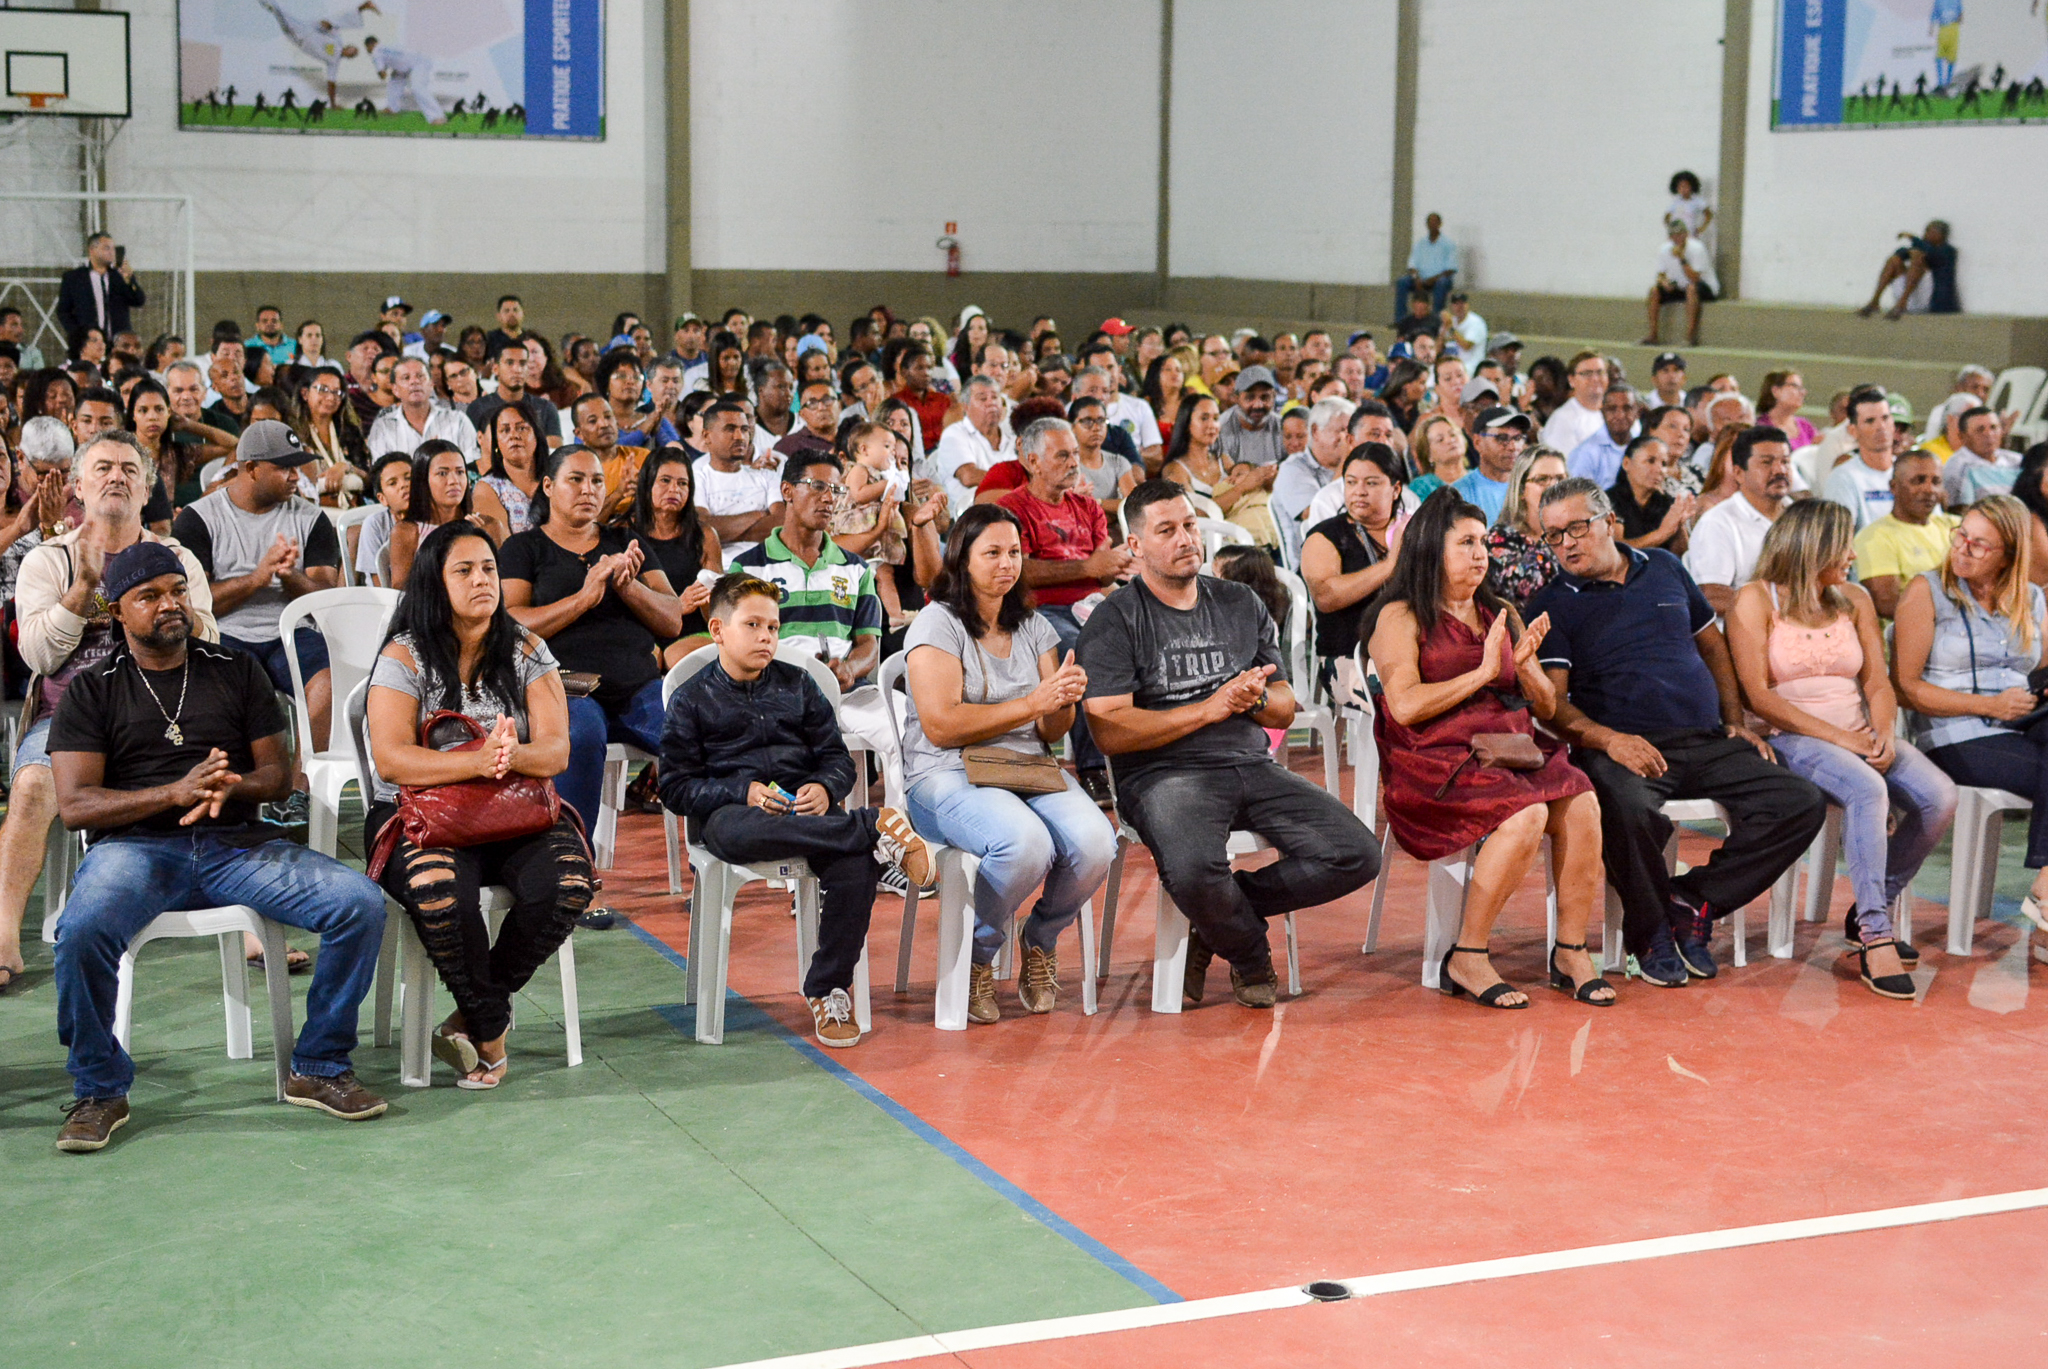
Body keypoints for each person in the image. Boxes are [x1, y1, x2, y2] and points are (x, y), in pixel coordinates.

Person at [48, 541, 389, 1152]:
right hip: (135, 851)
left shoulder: (234, 670)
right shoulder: (93, 689)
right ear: (117, 613)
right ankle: (99, 1088)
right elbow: (77, 804)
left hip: (237, 844)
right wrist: (174, 793)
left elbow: (278, 776)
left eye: (177, 591)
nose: (169, 605)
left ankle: (319, 1065)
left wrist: (230, 784)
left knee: (358, 902)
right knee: (80, 931)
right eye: (148, 597)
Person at [1078, 480, 1381, 1009]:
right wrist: (1208, 708)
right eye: (1166, 530)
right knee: (1194, 872)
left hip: (1248, 761)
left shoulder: (1240, 602)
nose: (1185, 539)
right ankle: (1248, 954)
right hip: (1161, 775)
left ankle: (1218, 923)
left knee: (1356, 853)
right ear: (1134, 546)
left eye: (1190, 525)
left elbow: (1284, 704)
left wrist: (1253, 698)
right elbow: (1108, 728)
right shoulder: (1116, 618)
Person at [1528, 478, 1827, 986]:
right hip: (1621, 745)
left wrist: (1733, 720)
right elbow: (1553, 706)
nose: (1567, 544)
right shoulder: (1552, 602)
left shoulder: (1665, 567)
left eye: (1577, 528)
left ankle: (1692, 898)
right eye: (1553, 536)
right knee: (1627, 806)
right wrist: (1609, 740)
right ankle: (1650, 933)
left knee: (1799, 800)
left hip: (1703, 739)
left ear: (1609, 523)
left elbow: (1711, 646)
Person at [657, 573, 935, 1048]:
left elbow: (836, 760)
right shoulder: (691, 698)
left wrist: (824, 788)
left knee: (854, 864)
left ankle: (827, 989)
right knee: (745, 834)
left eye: (773, 627)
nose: (767, 637)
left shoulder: (799, 685)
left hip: (807, 812)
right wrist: (742, 792)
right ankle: (871, 826)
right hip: (734, 814)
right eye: (753, 626)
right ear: (719, 630)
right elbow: (675, 787)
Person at [365, 520, 591, 1089]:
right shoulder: (406, 655)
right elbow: (391, 760)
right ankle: (490, 1024)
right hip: (423, 815)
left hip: (514, 808)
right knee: (441, 895)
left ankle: (475, 1012)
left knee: (568, 885)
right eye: (463, 570)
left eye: (488, 567)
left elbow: (557, 750)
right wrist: (478, 761)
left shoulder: (526, 648)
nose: (481, 579)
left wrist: (507, 761)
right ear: (434, 584)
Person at [1365, 492, 1610, 1007]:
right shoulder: (1401, 615)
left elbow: (1545, 705)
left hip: (1507, 748)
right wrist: (1479, 672)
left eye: (1485, 543)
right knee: (1525, 815)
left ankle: (1570, 949)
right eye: (1467, 543)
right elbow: (1405, 707)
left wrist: (1523, 666)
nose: (1482, 555)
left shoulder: (1499, 612)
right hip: (1433, 759)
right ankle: (1469, 955)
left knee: (1583, 800)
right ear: (1433, 549)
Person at [0, 433, 220, 995]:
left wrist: (170, 607)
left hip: (165, 719)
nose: (115, 476)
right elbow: (40, 655)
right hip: (68, 724)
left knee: (224, 768)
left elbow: (213, 642)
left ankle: (246, 925)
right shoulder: (48, 560)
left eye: (129, 468)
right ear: (78, 486)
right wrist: (83, 590)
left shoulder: (179, 561)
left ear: (147, 490)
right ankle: (3, 935)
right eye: (102, 468)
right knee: (29, 786)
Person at [1727, 500, 1954, 997]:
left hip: (1858, 730)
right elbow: (1759, 695)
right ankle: (1877, 936)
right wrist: (1842, 740)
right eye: (1843, 545)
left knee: (1941, 796)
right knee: (1869, 789)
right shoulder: (1755, 599)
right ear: (1813, 549)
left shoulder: (1853, 598)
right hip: (1795, 737)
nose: (1852, 554)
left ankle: (1873, 904)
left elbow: (1877, 680)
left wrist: (1883, 730)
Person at [899, 504, 1115, 1021]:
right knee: (1024, 844)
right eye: (991, 552)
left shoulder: (1035, 625)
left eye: (1014, 552)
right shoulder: (938, 621)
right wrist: (1031, 703)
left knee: (1096, 843)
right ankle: (977, 956)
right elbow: (941, 725)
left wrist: (1063, 700)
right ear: (962, 560)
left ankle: (1039, 938)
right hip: (945, 771)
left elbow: (1050, 731)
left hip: (1023, 767)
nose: (1006, 563)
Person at [500, 445, 681, 847]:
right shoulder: (523, 549)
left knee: (689, 735)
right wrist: (582, 599)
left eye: (597, 480)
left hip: (638, 686)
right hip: (566, 686)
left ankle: (715, 862)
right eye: (576, 479)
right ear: (548, 486)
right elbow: (510, 623)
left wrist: (628, 586)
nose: (589, 490)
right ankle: (572, 865)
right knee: (578, 738)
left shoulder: (625, 541)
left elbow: (672, 618)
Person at [171, 421, 344, 825]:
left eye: (297, 466)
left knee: (328, 681)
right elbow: (194, 604)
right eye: (284, 467)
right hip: (225, 631)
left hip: (292, 629)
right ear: (250, 469)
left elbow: (324, 600)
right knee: (217, 689)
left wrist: (288, 576)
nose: (295, 476)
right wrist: (257, 577)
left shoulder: (310, 517)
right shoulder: (199, 519)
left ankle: (299, 791)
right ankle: (236, 793)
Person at [1893, 496, 2048, 927]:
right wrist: (1988, 705)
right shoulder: (1927, 592)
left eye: (1980, 545)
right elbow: (1907, 688)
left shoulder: (2031, 598)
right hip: (1954, 733)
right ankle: (2046, 885)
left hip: (2020, 723)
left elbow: (2041, 670)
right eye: (1961, 535)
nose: (1962, 548)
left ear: (2009, 556)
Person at [993, 418, 1129, 799]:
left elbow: (1103, 576)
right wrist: (1089, 568)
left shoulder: (1089, 508)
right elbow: (1019, 570)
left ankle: (1142, 760)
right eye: (1063, 455)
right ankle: (1091, 770)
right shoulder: (1010, 509)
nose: (1074, 463)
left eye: (1075, 455)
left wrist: (1120, 567)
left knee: (1144, 638)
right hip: (1038, 612)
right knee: (1081, 652)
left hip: (1091, 605)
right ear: (1032, 461)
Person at [1302, 443, 1404, 675]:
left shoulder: (1411, 530)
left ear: (1395, 489)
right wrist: (1389, 566)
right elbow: (1325, 596)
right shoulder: (1325, 536)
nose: (1359, 491)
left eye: (1371, 483)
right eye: (1351, 482)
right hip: (1350, 659)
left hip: (1412, 652)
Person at [1685, 426, 1795, 614]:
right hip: (1748, 633)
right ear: (1738, 473)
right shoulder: (1717, 523)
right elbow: (1712, 596)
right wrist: (1781, 614)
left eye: (1785, 461)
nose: (1779, 470)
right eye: (1766, 463)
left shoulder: (1799, 516)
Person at [630, 445, 720, 665]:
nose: (674, 490)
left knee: (677, 656)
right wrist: (676, 606)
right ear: (647, 483)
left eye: (682, 483)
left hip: (692, 633)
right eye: (665, 481)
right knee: (651, 659)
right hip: (641, 631)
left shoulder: (705, 535)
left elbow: (717, 615)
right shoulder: (625, 533)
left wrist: (710, 598)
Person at [388, 439, 511, 589]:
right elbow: (400, 590)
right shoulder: (407, 532)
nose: (454, 481)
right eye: (442, 473)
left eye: (460, 472)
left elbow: (504, 583)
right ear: (423, 480)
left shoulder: (489, 527)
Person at [1162, 393, 1277, 548]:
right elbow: (1193, 515)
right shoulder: (1175, 471)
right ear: (1187, 424)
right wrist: (1241, 488)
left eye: (1215, 418)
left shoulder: (1223, 460)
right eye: (1204, 418)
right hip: (1205, 546)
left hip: (1242, 535)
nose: (1212, 425)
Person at [1854, 450, 1957, 618]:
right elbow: (1888, 605)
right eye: (1918, 480)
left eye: (1936, 482)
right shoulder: (1874, 537)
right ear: (1893, 487)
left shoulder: (1955, 526)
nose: (1929, 489)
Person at [692, 399, 782, 560]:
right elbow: (703, 529)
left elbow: (782, 524)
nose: (740, 436)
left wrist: (726, 531)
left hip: (769, 565)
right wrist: (759, 514)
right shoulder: (697, 478)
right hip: (722, 570)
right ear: (707, 436)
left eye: (744, 429)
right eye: (730, 429)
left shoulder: (767, 476)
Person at [1272, 396, 1357, 566]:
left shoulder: (1354, 468)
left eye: (1351, 432)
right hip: (1311, 565)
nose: (1348, 439)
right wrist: (1346, 461)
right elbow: (1317, 516)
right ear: (1316, 431)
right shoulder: (1292, 469)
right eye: (1341, 430)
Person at [368, 355, 478, 465]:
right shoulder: (382, 428)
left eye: (420, 376)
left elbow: (471, 465)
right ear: (395, 389)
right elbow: (381, 473)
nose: (414, 381)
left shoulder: (458, 421)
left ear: (431, 384)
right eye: (406, 378)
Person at [1820, 388, 1898, 533]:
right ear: (1853, 431)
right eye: (1870, 421)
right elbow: (1837, 539)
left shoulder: (1909, 471)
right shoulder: (1842, 479)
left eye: (1885, 418)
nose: (1881, 427)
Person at [55, 234, 145, 351]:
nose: (111, 252)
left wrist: (130, 279)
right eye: (106, 248)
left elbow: (138, 301)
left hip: (118, 343)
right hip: (89, 344)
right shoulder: (74, 278)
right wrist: (77, 334)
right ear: (92, 250)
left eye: (113, 248)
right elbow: (63, 311)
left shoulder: (118, 276)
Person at [1608, 433, 1694, 554]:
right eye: (1650, 461)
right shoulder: (1609, 500)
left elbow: (1680, 556)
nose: (1659, 470)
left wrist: (1679, 524)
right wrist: (1661, 534)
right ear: (1626, 463)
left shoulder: (1666, 502)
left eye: (1664, 464)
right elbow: (1616, 549)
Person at [1857, 220, 1960, 318]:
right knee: (1894, 260)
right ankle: (1875, 301)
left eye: (1929, 232)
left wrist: (1914, 240)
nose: (1925, 234)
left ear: (1940, 235)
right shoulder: (1922, 247)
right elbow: (1901, 252)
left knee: (1917, 257)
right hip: (1910, 297)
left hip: (1928, 300)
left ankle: (1903, 302)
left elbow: (1933, 255)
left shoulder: (1948, 251)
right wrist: (1913, 248)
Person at [1450, 406, 1533, 524]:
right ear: (1478, 442)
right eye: (1502, 438)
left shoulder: (1531, 487)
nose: (1513, 447)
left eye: (1518, 438)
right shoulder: (1459, 494)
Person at [1643, 218, 1718, 347]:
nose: (1677, 238)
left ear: (1686, 234)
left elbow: (1695, 278)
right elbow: (1660, 274)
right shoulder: (1664, 249)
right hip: (1680, 286)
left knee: (1691, 288)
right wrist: (1665, 282)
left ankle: (1690, 337)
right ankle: (1653, 335)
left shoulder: (1696, 248)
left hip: (1702, 287)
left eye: (1680, 235)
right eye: (1674, 236)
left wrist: (1682, 259)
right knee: (1654, 291)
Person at [477, 402, 542, 536]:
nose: (514, 435)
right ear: (497, 442)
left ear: (536, 435)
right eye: (505, 430)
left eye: (522, 428)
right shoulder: (488, 488)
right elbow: (502, 547)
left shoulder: (557, 477)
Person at [1566, 385, 1642, 489]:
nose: (1620, 415)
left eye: (1627, 408)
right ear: (1602, 412)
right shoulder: (1586, 452)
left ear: (1637, 412)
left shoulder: (1642, 447)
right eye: (1612, 409)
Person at [1539, 352, 1609, 455]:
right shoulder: (1563, 419)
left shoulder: (1617, 413)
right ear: (1571, 380)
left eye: (1600, 372)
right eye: (1587, 373)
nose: (1595, 378)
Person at [1395, 213, 1458, 322]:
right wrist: (1416, 278)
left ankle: (1435, 320)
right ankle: (1400, 320)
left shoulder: (1448, 244)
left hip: (1440, 279)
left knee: (1442, 283)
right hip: (1421, 279)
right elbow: (1412, 265)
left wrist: (1433, 279)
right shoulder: (1420, 243)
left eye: (1435, 222)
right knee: (1402, 282)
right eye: (1429, 222)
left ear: (1440, 224)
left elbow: (1451, 269)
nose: (1432, 224)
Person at [1757, 371, 1820, 451]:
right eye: (1795, 386)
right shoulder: (1760, 427)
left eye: (1802, 388)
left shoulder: (1806, 426)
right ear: (1775, 391)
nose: (1803, 392)